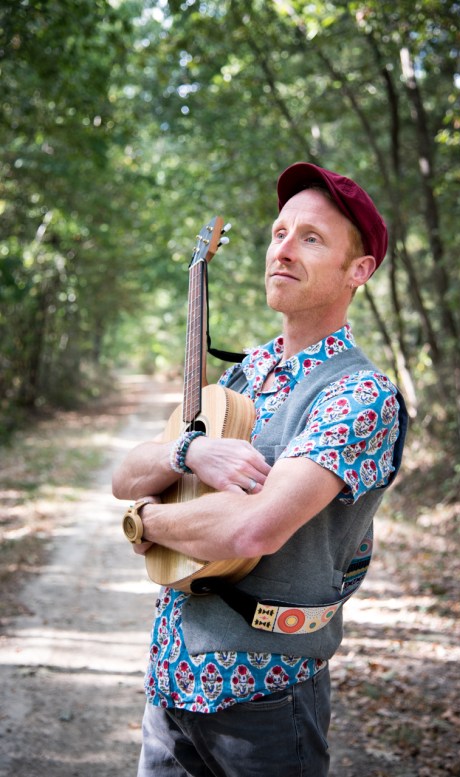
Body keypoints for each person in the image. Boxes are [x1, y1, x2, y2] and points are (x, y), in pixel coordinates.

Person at [112, 161, 407, 777]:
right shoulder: (244, 375)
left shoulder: (359, 395)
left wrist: (146, 522)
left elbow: (254, 529)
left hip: (264, 693)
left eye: (311, 238)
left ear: (359, 271)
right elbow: (126, 476)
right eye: (279, 233)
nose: (284, 250)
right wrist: (186, 453)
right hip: (171, 677)